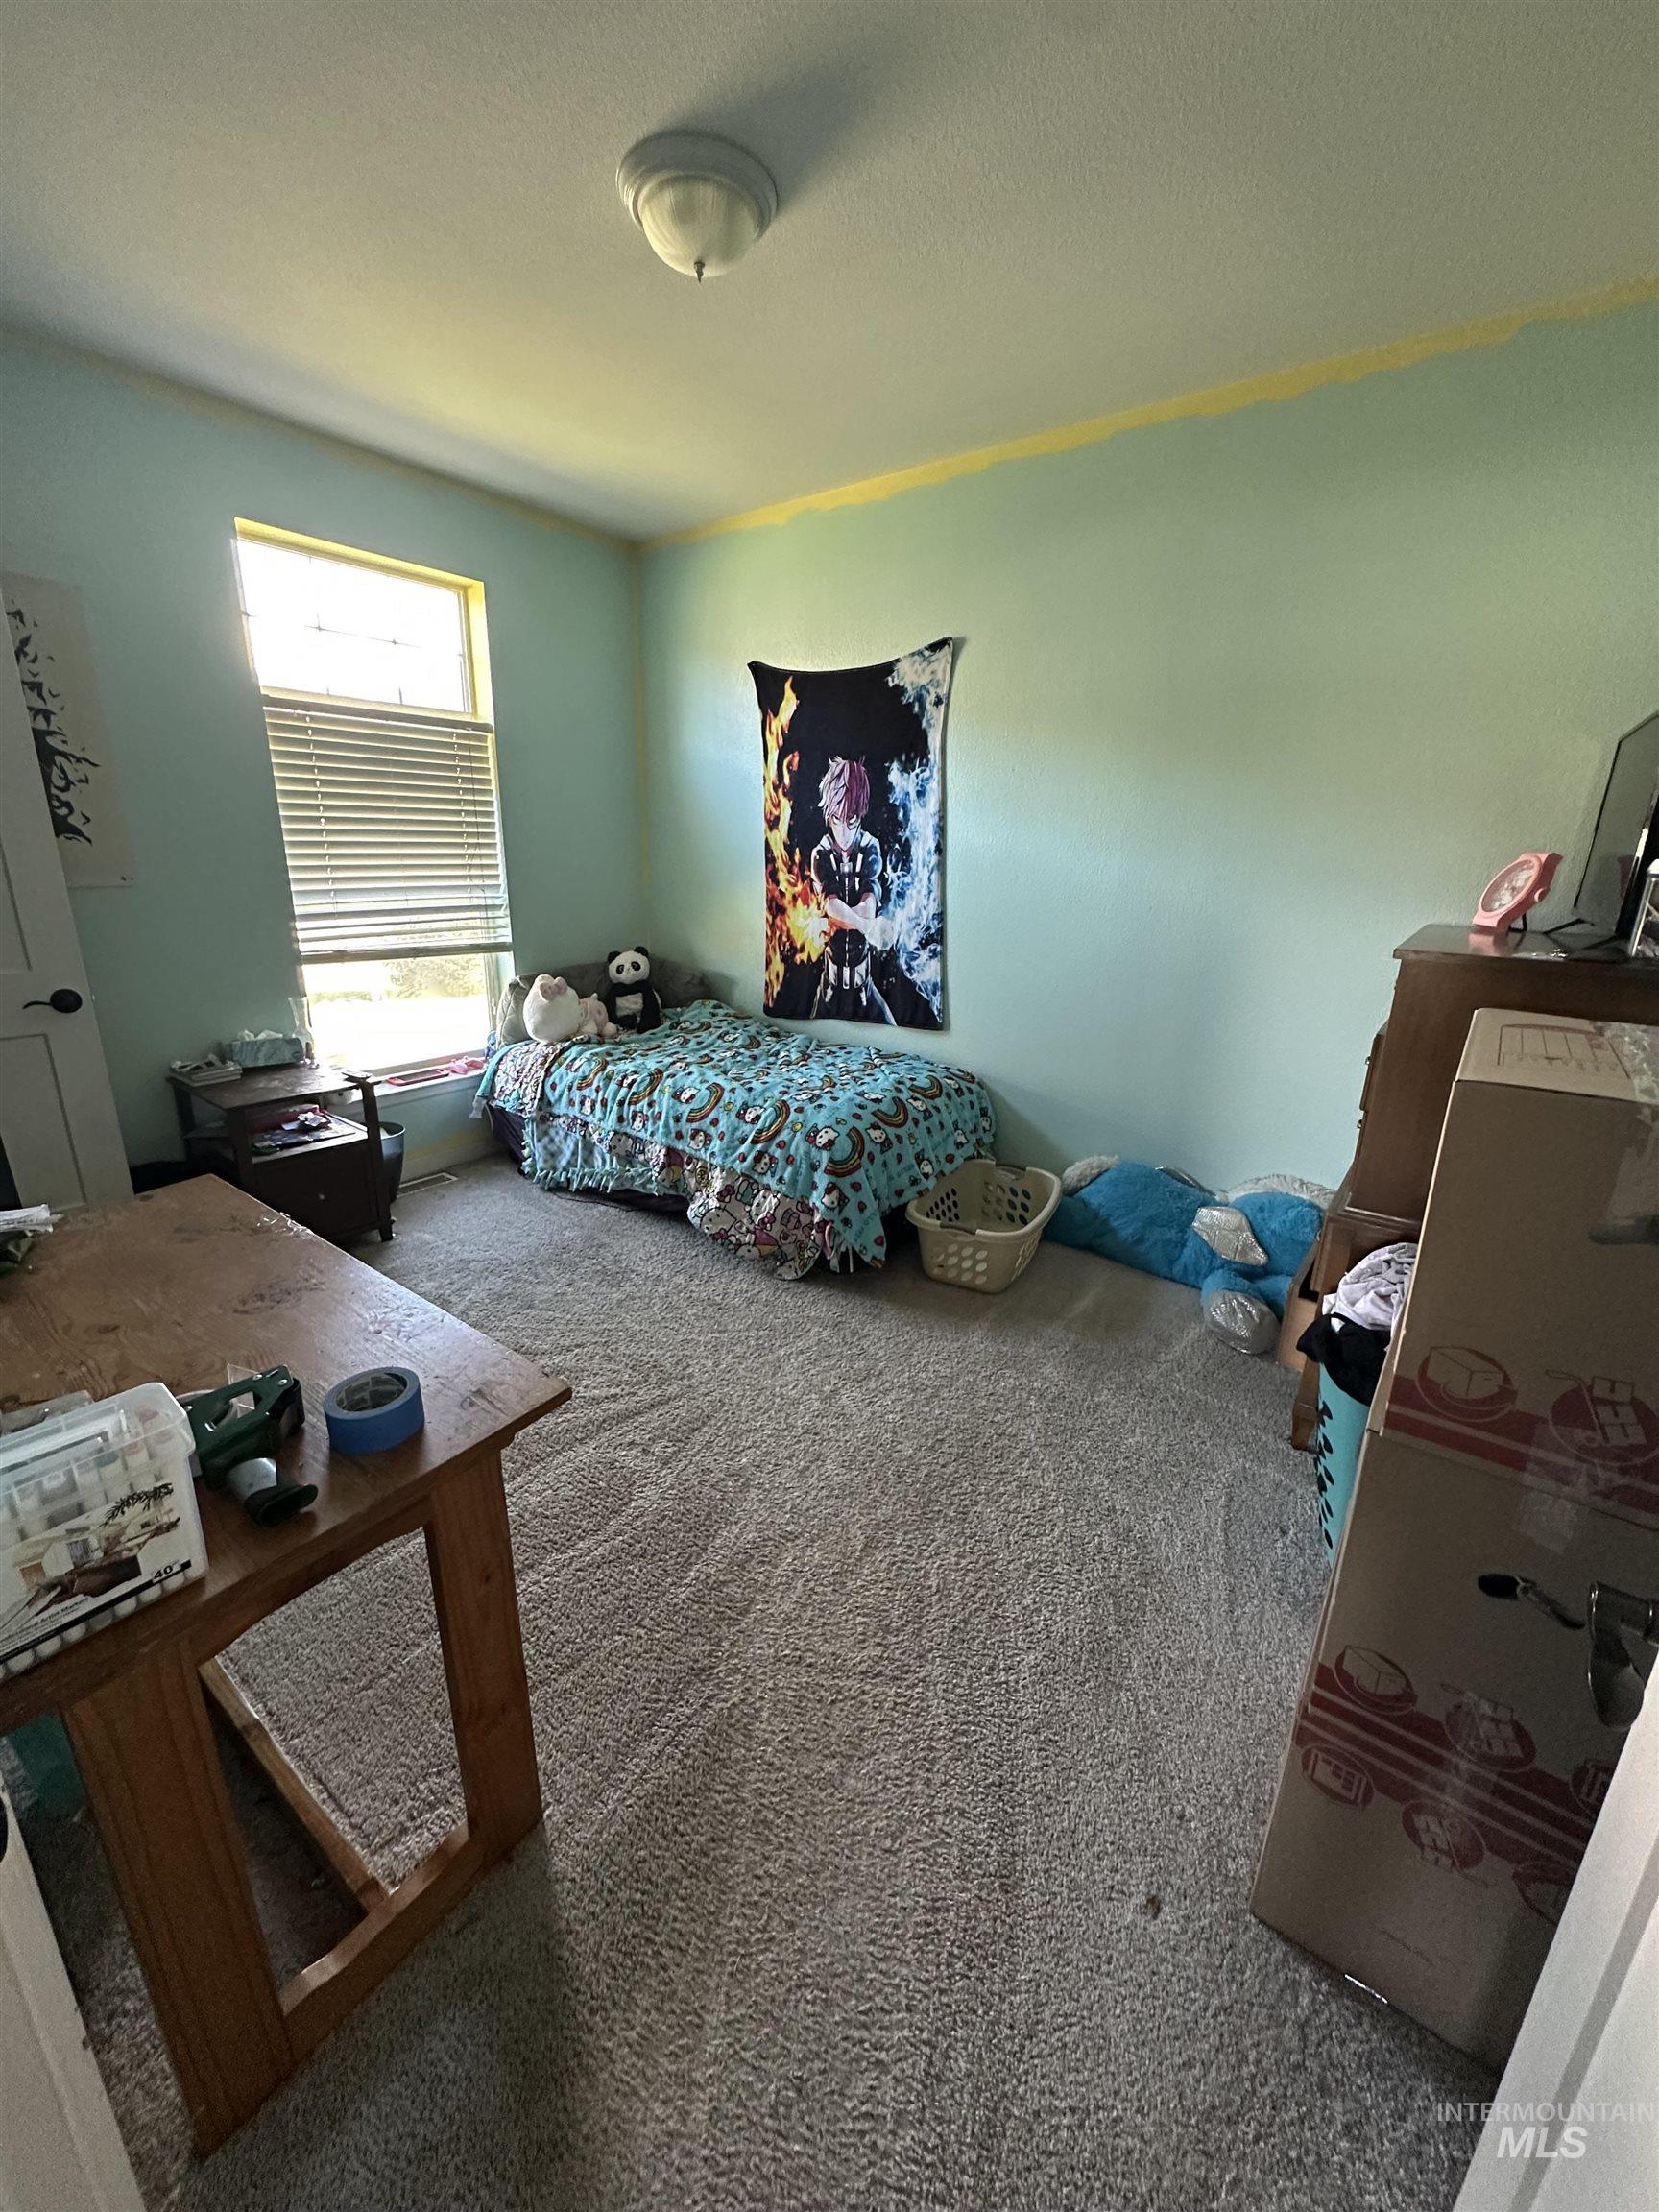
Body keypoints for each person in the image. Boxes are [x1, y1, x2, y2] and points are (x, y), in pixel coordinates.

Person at [808, 756, 894, 1022]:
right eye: (836, 819)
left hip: (865, 989)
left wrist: (842, 919)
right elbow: (831, 906)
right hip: (829, 989)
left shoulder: (870, 847)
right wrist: (866, 927)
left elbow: (868, 908)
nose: (843, 832)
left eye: (852, 820)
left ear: (861, 813)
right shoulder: (821, 853)